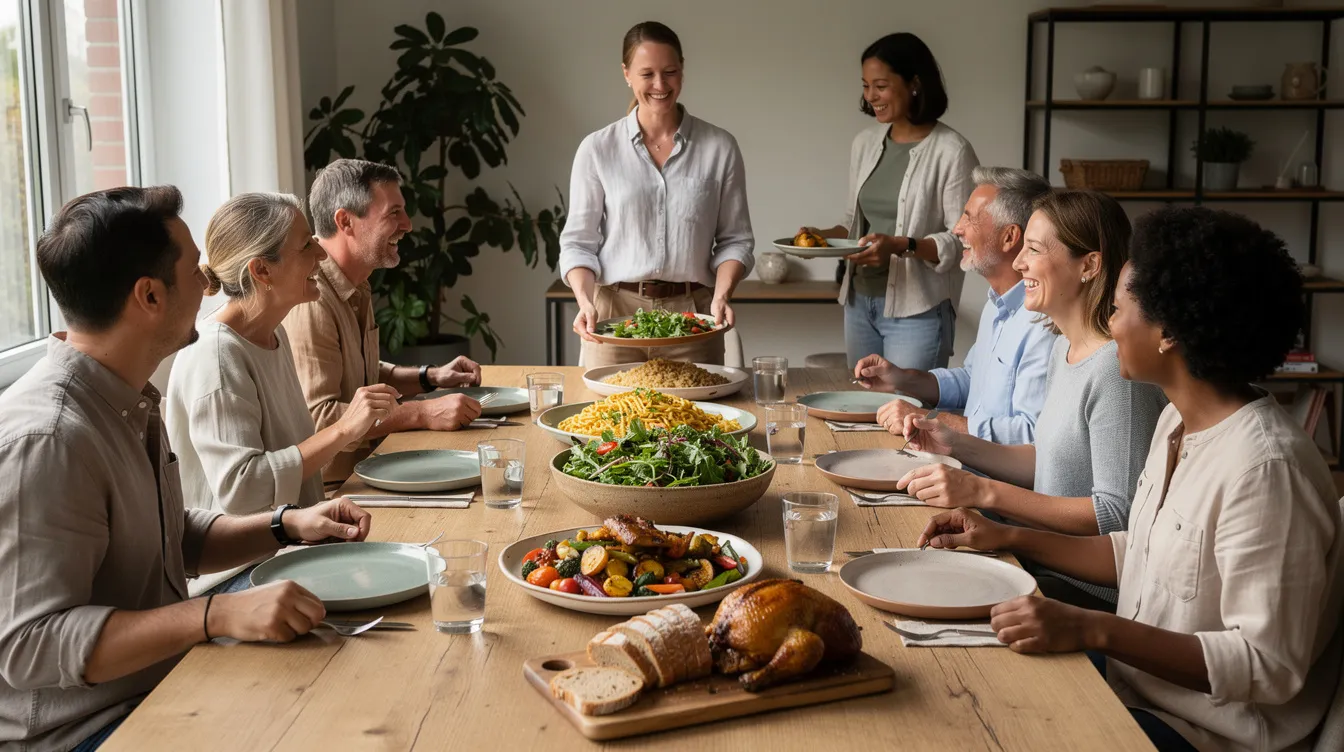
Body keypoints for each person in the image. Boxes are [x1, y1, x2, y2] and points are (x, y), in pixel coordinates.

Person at [918, 206, 1343, 752]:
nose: (1111, 324)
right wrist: (1007, 535)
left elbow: (1266, 665)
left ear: (1168, 331)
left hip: (1201, 733)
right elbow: (1138, 551)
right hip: (1135, 689)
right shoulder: (1176, 421)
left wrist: (1091, 628)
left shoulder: (1266, 469)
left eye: (1119, 310)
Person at [0, 186, 373, 751]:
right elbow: (30, 645)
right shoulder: (48, 438)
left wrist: (285, 524)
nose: (207, 282)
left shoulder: (126, 397)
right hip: (86, 731)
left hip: (161, 686)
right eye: (192, 268)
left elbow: (169, 536)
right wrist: (216, 614)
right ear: (149, 296)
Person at [897, 190, 1166, 609]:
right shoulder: (1065, 348)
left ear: (1089, 265)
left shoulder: (1116, 371)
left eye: (1034, 250)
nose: (1019, 262)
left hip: (1083, 594)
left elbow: (1116, 515)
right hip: (1035, 565)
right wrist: (955, 443)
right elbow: (1049, 461)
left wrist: (984, 492)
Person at [166, 192, 399, 593]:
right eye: (306, 245)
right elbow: (243, 491)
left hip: (288, 546)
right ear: (262, 271)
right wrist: (343, 430)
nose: (321, 256)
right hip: (234, 576)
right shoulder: (217, 355)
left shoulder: (271, 334)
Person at [560, 21, 755, 367]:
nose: (660, 85)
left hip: (693, 316)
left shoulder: (720, 147)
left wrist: (722, 295)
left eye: (670, 72)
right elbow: (578, 243)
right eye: (647, 74)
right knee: (607, 421)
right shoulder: (597, 149)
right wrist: (585, 302)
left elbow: (735, 240)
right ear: (626, 74)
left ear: (683, 69)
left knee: (699, 420)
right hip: (614, 318)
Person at [284, 159, 484, 484]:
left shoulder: (355, 281)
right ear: (345, 221)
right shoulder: (313, 297)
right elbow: (320, 420)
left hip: (374, 467)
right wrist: (423, 412)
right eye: (394, 213)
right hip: (338, 491)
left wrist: (430, 377)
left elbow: (360, 374)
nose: (408, 224)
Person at [798, 32, 978, 370]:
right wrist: (816, 235)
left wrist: (901, 245)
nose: (870, 96)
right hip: (858, 303)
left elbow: (964, 241)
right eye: (865, 86)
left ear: (914, 83)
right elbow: (854, 223)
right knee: (863, 416)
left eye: (880, 85)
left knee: (907, 415)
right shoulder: (864, 144)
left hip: (918, 311)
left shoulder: (952, 151)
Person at [854, 166, 1056, 444]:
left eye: (969, 218)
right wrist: (902, 379)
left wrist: (929, 418)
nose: (957, 229)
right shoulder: (997, 303)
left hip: (987, 480)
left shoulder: (1044, 323)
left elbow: (1030, 436)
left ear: (1009, 237)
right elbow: (973, 380)